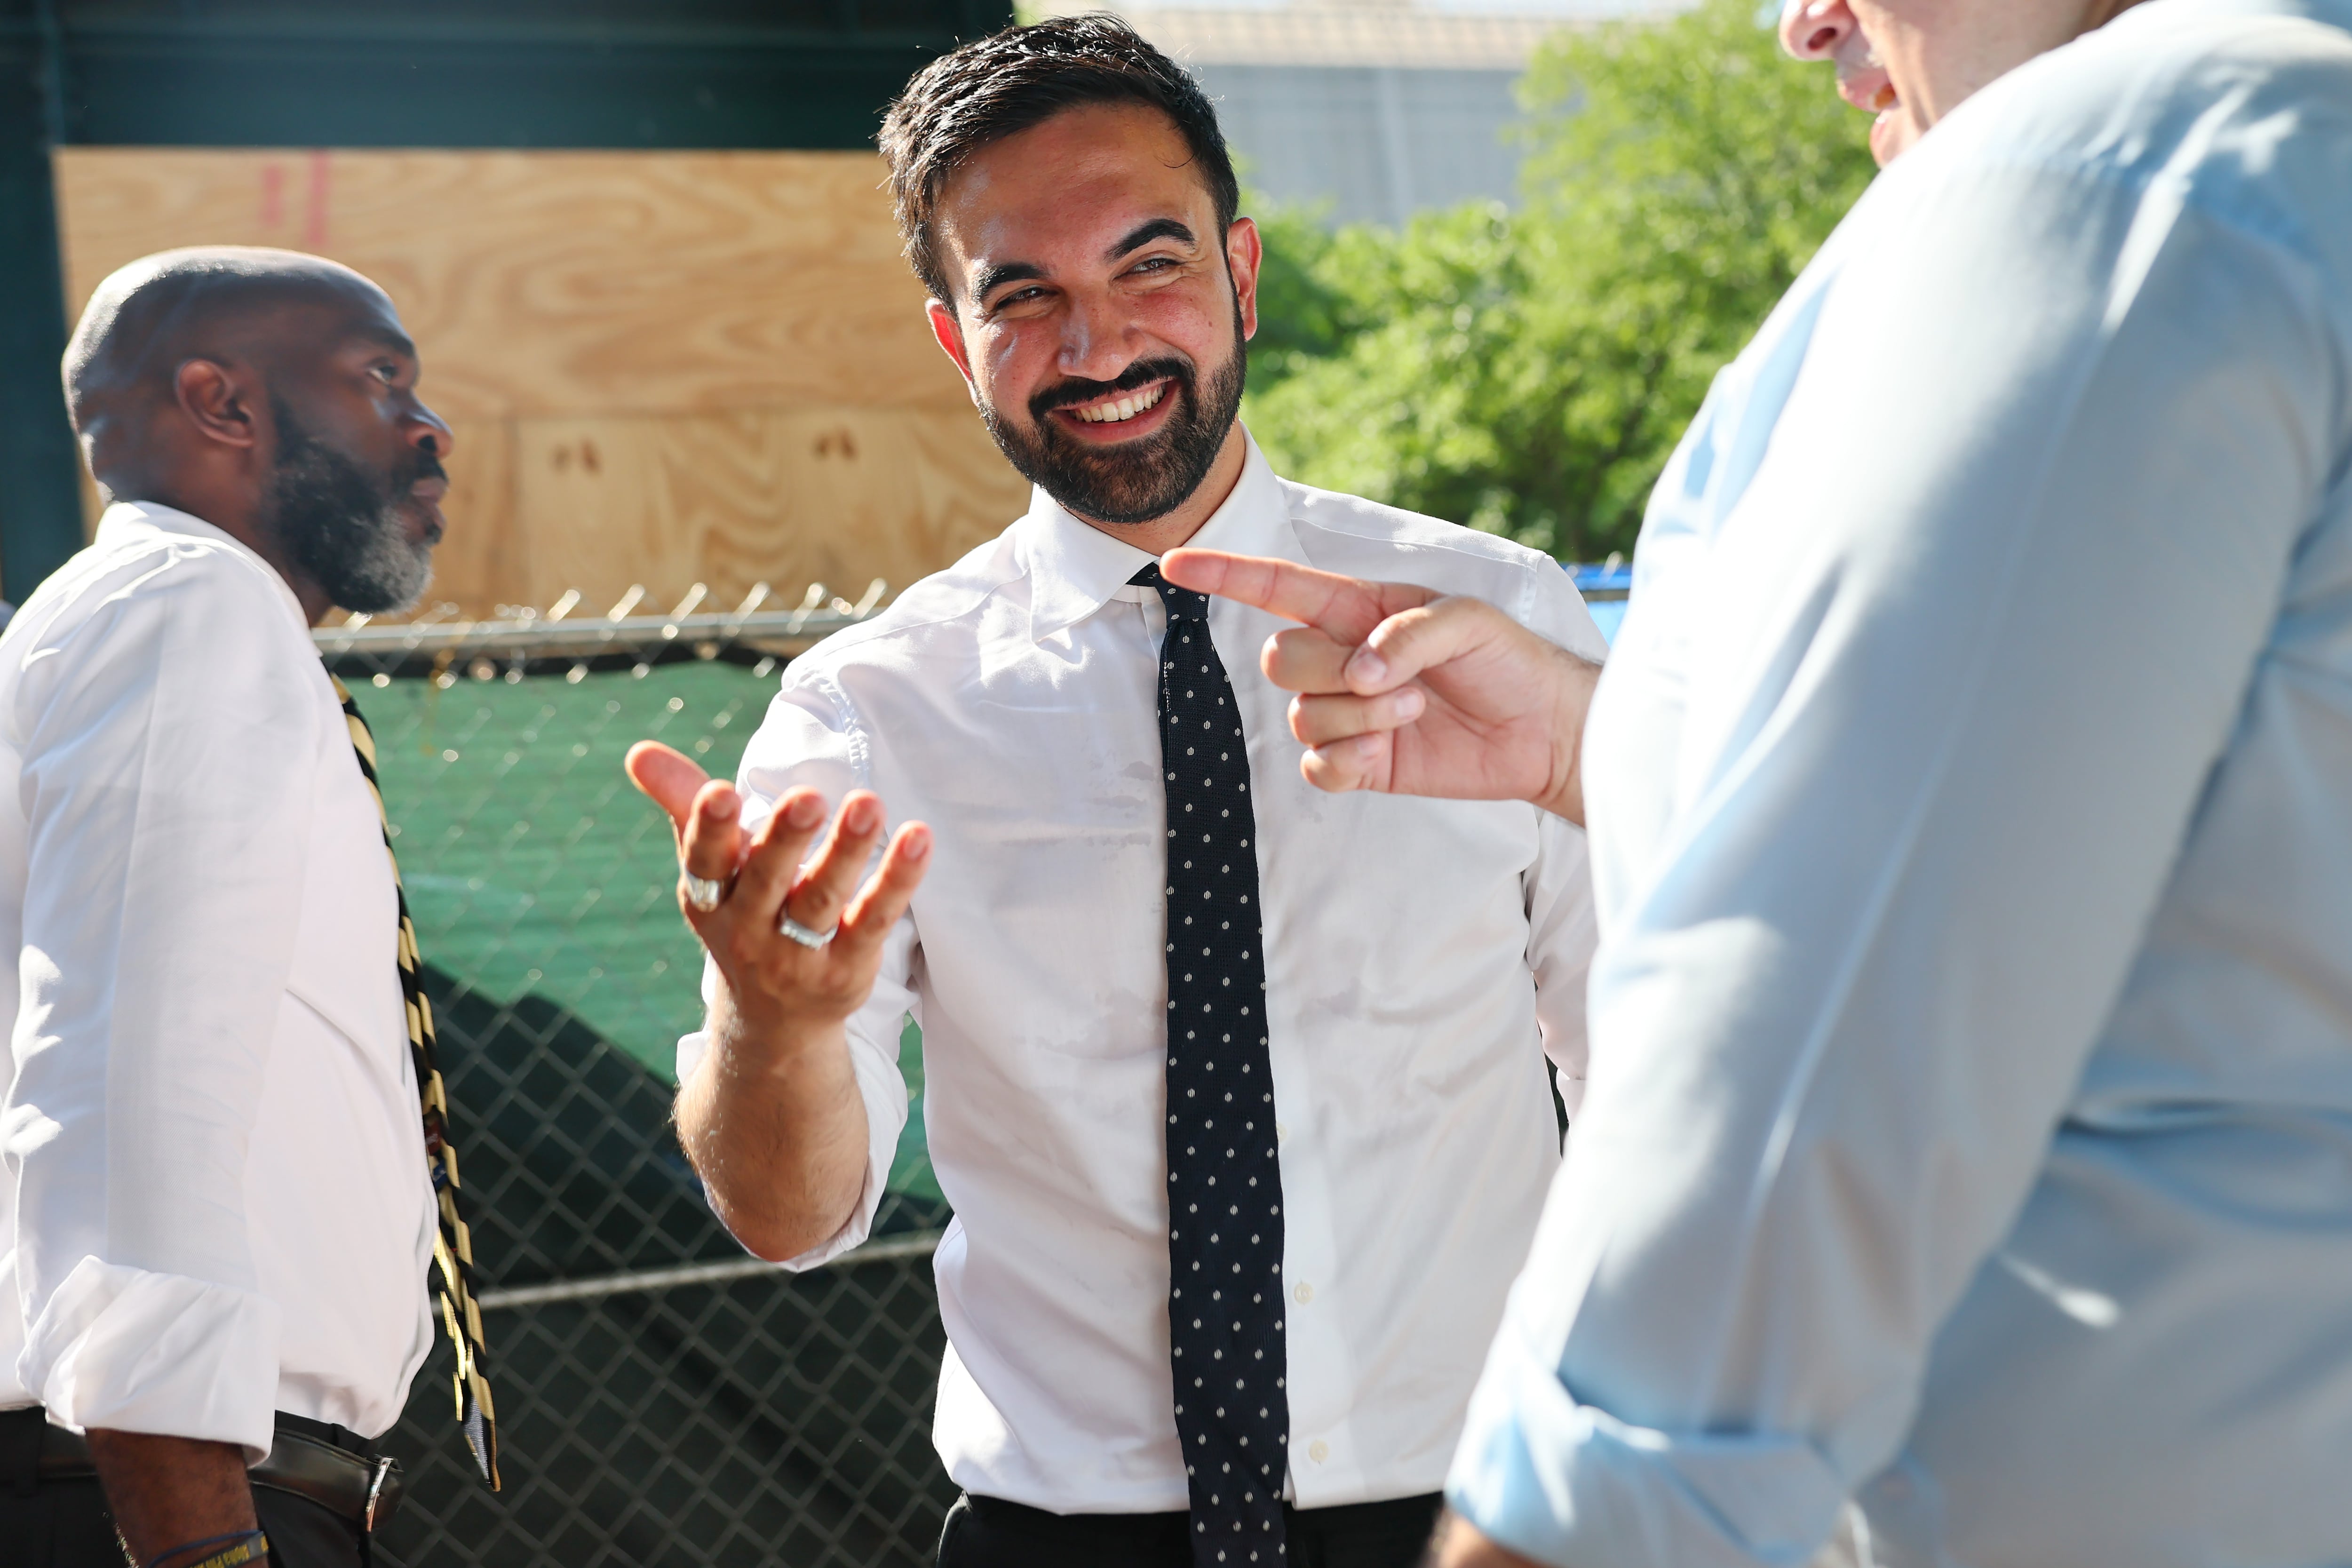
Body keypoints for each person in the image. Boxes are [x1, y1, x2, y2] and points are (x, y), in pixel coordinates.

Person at [1170, 0, 2352, 1559]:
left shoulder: (2125, 170)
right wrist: (1598, 745)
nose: (1804, 25)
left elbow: (1798, 1106)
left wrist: (1562, 1523)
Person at [621, 17, 1608, 1568]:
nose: (1099, 347)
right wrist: (774, 1027)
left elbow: (1668, 1071)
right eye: (1023, 294)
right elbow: (790, 1218)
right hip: (1069, 1537)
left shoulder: (1499, 629)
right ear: (956, 340)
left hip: (1499, 1511)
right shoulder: (869, 713)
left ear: (1242, 276)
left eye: (1150, 267)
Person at [0, 248, 498, 1568]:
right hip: (163, 1502)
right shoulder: (191, 603)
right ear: (223, 403)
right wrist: (201, 1545)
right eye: (381, 379)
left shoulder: (166, 621)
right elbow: (125, 1085)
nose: (429, 428)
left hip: (163, 1483)